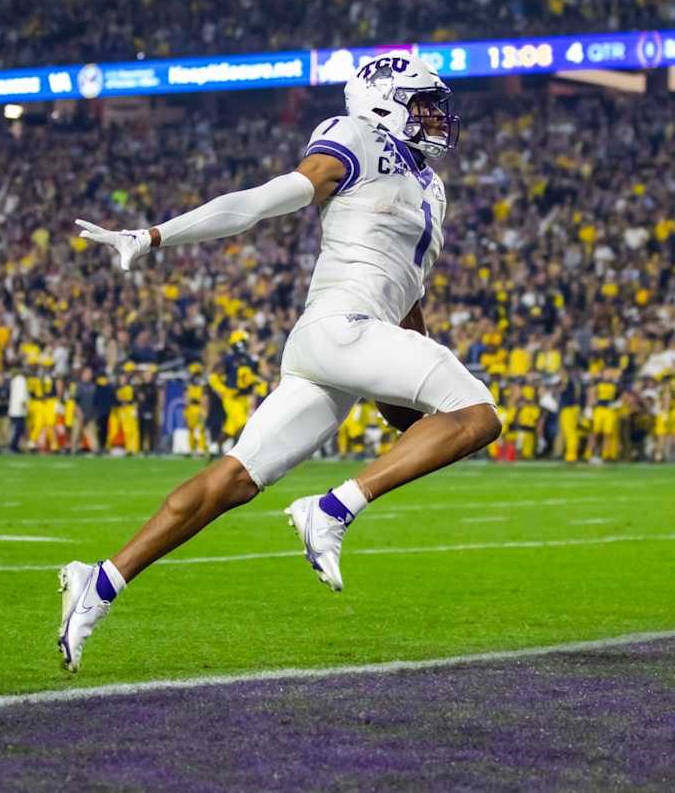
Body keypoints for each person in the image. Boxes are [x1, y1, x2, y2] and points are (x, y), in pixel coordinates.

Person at [58, 51, 501, 672]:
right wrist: (155, 234)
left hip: (345, 346)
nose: (436, 118)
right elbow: (265, 200)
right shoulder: (355, 136)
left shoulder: (429, 185)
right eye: (423, 103)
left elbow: (406, 294)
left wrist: (405, 398)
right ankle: (333, 508)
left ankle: (99, 581)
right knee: (480, 414)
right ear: (383, 103)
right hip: (339, 329)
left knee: (234, 479)